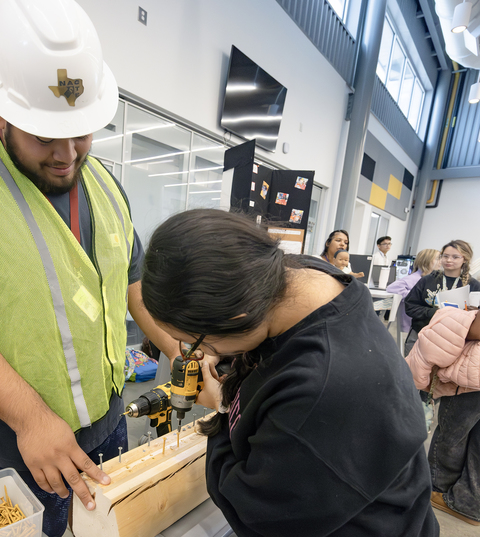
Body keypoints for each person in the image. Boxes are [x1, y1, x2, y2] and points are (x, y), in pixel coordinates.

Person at [0, 1, 177, 534]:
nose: (67, 155)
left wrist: (183, 350)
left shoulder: (105, 185)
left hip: (111, 425)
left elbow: (133, 285)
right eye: (45, 136)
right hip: (25, 444)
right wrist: (32, 418)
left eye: (82, 133)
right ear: (1, 114)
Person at [140, 209, 437, 536]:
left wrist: (223, 406)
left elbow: (256, 515)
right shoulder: (299, 274)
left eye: (197, 341)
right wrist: (223, 353)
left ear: (237, 316)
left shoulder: (321, 389)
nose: (198, 354)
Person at [405, 307, 480, 526]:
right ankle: (470, 502)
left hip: (470, 381)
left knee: (452, 434)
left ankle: (438, 487)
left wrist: (458, 315)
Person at [405, 240, 480, 347]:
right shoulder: (428, 280)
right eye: (445, 256)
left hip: (454, 340)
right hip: (421, 334)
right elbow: (410, 306)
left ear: (464, 259)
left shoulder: (473, 285)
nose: (449, 260)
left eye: (455, 257)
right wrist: (436, 312)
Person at [386, 248, 440, 353]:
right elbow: (392, 288)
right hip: (413, 323)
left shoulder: (432, 279)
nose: (441, 261)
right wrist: (414, 296)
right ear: (427, 260)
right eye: (437, 258)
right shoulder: (415, 278)